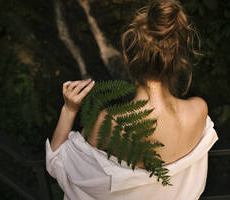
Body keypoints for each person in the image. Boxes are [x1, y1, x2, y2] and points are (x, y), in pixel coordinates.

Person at [46, 0, 218, 199]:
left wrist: (69, 109)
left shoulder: (111, 122)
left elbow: (59, 164)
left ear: (127, 59)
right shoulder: (199, 109)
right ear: (175, 58)